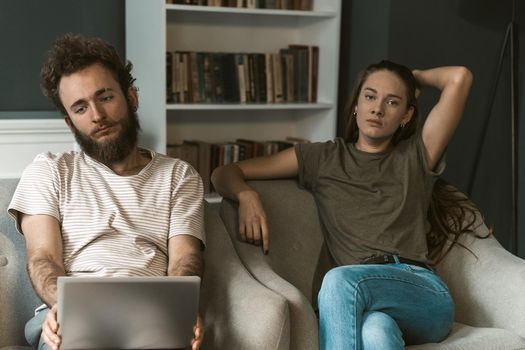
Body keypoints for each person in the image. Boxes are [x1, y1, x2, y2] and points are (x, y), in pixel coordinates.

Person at [211, 60, 478, 349]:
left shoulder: (415, 156)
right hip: (364, 302)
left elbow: (459, 78)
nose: (377, 108)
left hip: (421, 294)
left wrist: (413, 78)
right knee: (376, 332)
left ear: (406, 115)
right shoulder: (324, 158)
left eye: (392, 101)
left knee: (339, 280)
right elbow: (224, 173)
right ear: (356, 105)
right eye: (370, 96)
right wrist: (246, 195)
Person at [8, 33, 205, 350]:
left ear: (131, 97)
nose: (97, 115)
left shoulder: (179, 176)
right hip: (71, 318)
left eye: (106, 97)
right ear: (70, 123)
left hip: (152, 316)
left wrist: (179, 311)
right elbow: (43, 259)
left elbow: (185, 258)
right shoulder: (48, 171)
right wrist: (66, 305)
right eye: (80, 107)